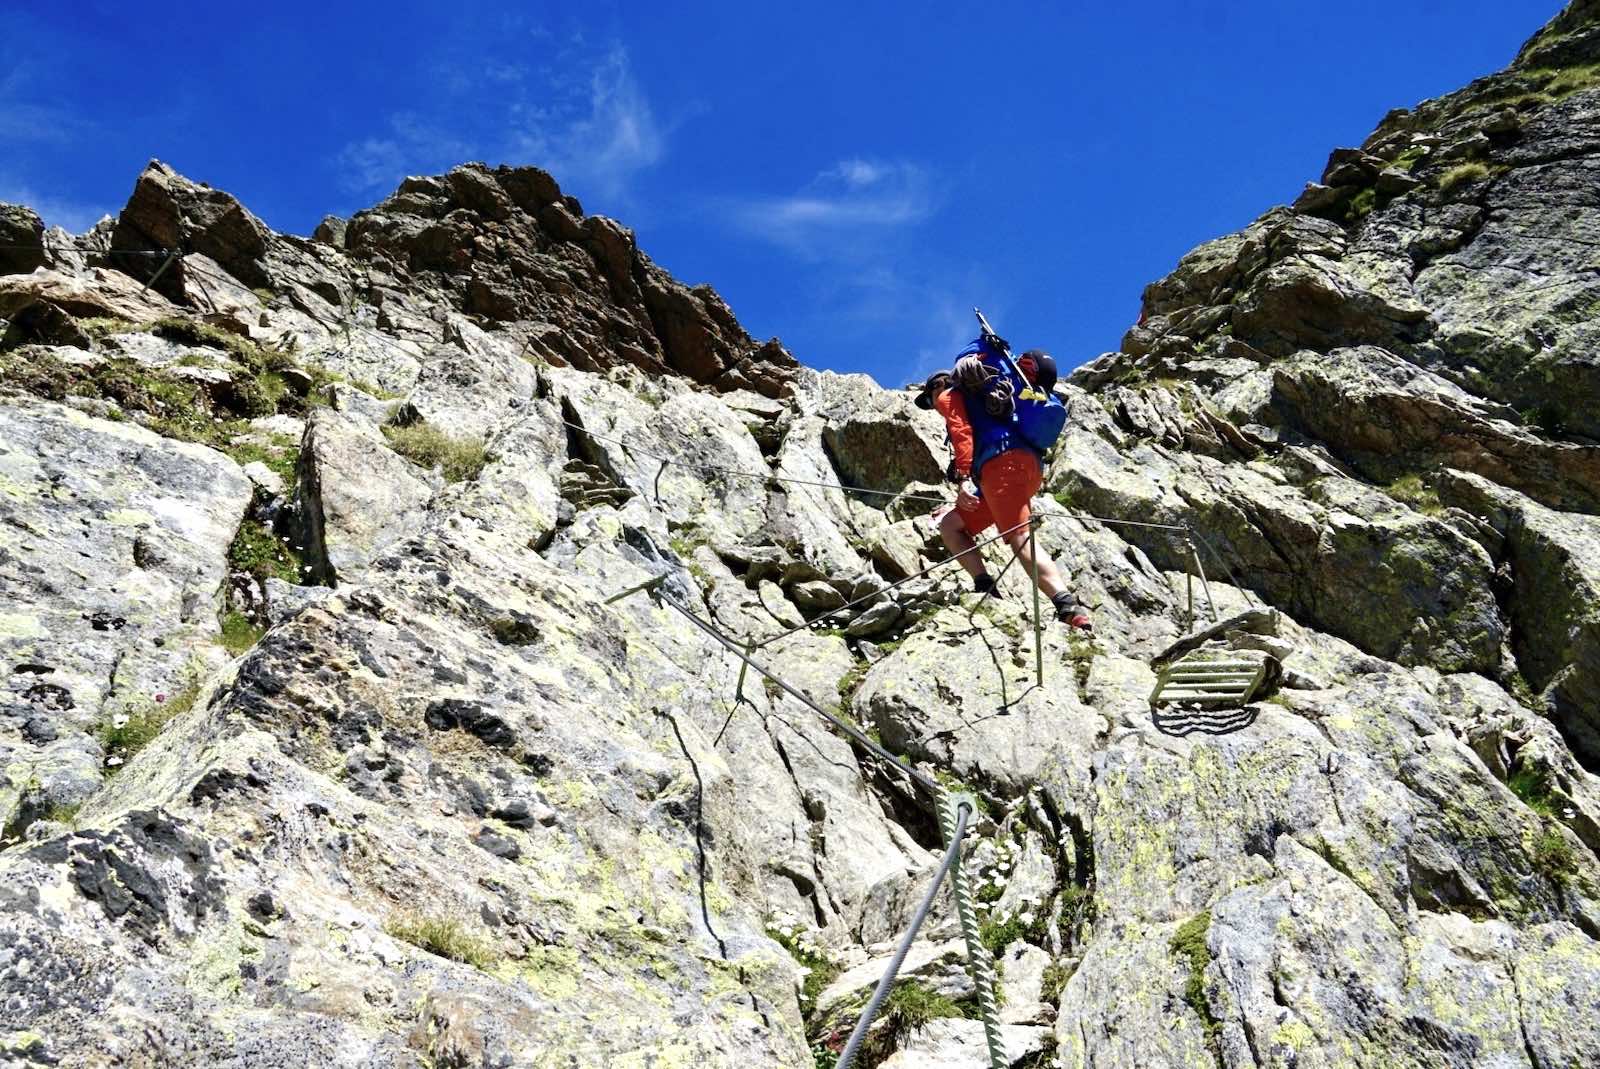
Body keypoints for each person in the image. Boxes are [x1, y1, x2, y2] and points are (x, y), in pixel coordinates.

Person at [914, 346, 1091, 631]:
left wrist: (961, 481)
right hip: (1027, 467)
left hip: (1001, 467)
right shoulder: (985, 395)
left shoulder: (951, 395)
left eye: (929, 398)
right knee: (951, 525)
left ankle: (1067, 606)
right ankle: (985, 586)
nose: (934, 405)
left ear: (938, 387)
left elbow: (962, 434)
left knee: (1019, 537)